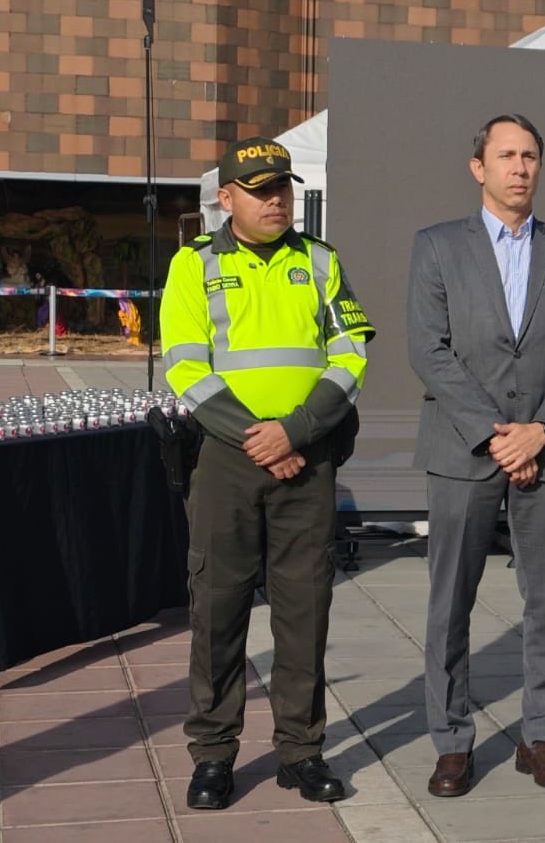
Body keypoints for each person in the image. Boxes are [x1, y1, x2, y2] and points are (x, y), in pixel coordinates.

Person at [162, 137, 374, 809]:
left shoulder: (320, 260)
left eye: (282, 187)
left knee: (304, 611)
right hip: (228, 459)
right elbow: (185, 367)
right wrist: (262, 439)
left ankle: (301, 752)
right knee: (218, 610)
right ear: (227, 199)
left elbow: (351, 351)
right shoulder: (194, 265)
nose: (276, 200)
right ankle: (213, 755)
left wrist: (297, 431)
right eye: (260, 190)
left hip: (307, 456)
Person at [407, 114, 545, 797]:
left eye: (530, 156)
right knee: (450, 603)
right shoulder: (437, 246)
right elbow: (428, 349)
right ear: (479, 168)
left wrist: (540, 430)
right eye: (506, 155)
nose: (519, 168)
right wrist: (497, 434)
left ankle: (540, 738)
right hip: (462, 450)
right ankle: (452, 743)